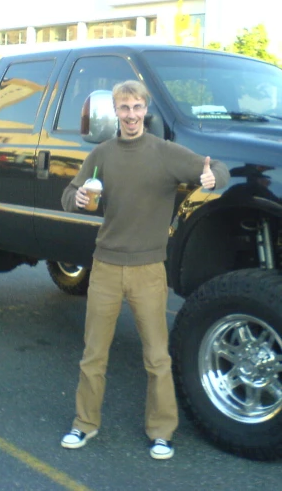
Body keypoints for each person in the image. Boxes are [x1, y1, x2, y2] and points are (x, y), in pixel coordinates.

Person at [60, 80, 230, 460]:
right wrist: (79, 197)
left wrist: (212, 178)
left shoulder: (165, 153)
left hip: (149, 270)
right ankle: (84, 424)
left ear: (145, 111)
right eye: (124, 108)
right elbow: (70, 195)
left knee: (157, 357)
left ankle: (162, 432)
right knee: (93, 355)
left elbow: (216, 167)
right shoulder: (101, 155)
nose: (132, 115)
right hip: (104, 267)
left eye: (137, 108)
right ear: (115, 113)